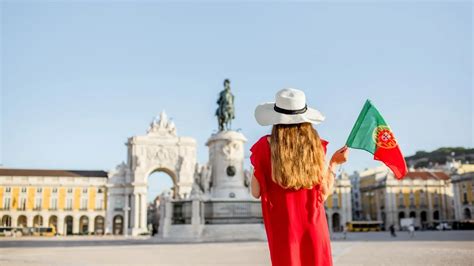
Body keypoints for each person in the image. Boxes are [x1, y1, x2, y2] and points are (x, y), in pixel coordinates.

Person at [250, 88, 349, 266]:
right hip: (314, 226)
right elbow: (323, 193)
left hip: (283, 231)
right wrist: (334, 164)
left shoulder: (262, 147)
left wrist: (259, 164)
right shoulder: (316, 147)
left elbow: (255, 192)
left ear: (276, 119)